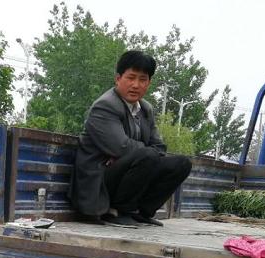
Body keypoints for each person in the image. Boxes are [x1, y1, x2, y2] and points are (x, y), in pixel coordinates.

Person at [69, 50, 192, 227]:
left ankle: (142, 212)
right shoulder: (105, 106)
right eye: (131, 78)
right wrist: (143, 151)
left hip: (124, 170)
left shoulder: (146, 109)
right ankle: (117, 211)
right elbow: (121, 148)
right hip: (99, 179)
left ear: (149, 83)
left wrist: (143, 152)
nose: (135, 85)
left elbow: (159, 147)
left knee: (181, 164)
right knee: (147, 155)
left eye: (142, 79)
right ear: (118, 79)